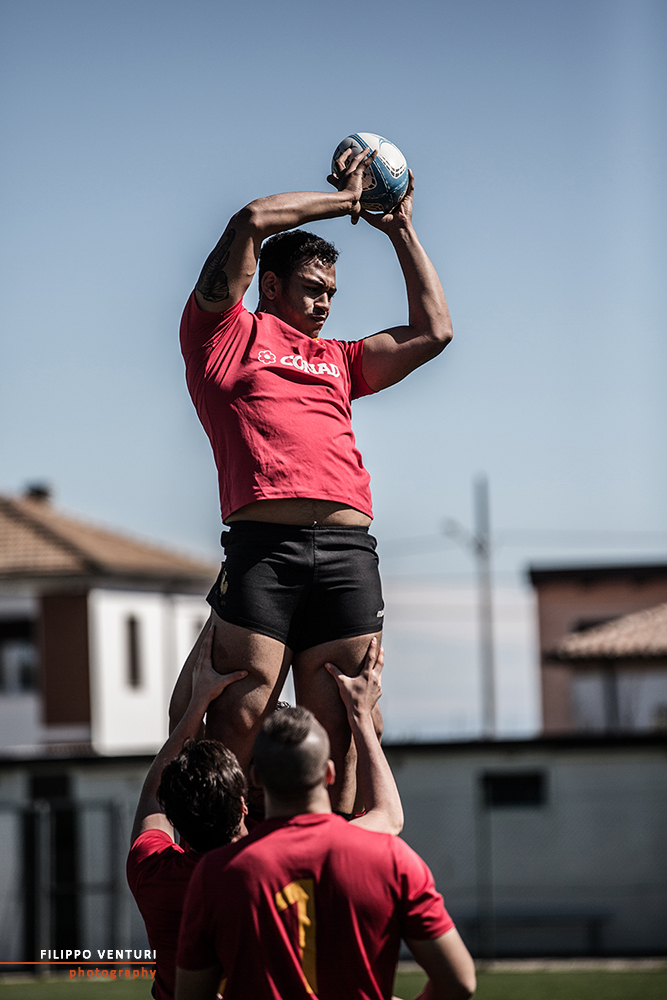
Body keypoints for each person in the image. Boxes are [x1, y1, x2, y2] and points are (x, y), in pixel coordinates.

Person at [179, 146, 453, 812]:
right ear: (268, 285)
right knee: (235, 724)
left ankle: (332, 878)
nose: (326, 303)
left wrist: (399, 226)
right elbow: (251, 219)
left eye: (332, 293)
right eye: (312, 289)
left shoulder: (341, 359)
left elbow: (434, 331)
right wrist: (354, 201)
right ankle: (236, 873)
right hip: (261, 556)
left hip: (344, 557)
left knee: (350, 733)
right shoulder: (220, 335)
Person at [128, 629, 400, 1000]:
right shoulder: (284, 858)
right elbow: (386, 815)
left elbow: (154, 794)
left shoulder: (154, 871)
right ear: (242, 798)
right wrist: (363, 717)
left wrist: (222, 614)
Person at [175, 706, 475, 1000]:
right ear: (329, 772)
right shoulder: (392, 858)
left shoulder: (217, 873)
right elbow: (460, 982)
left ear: (254, 777)